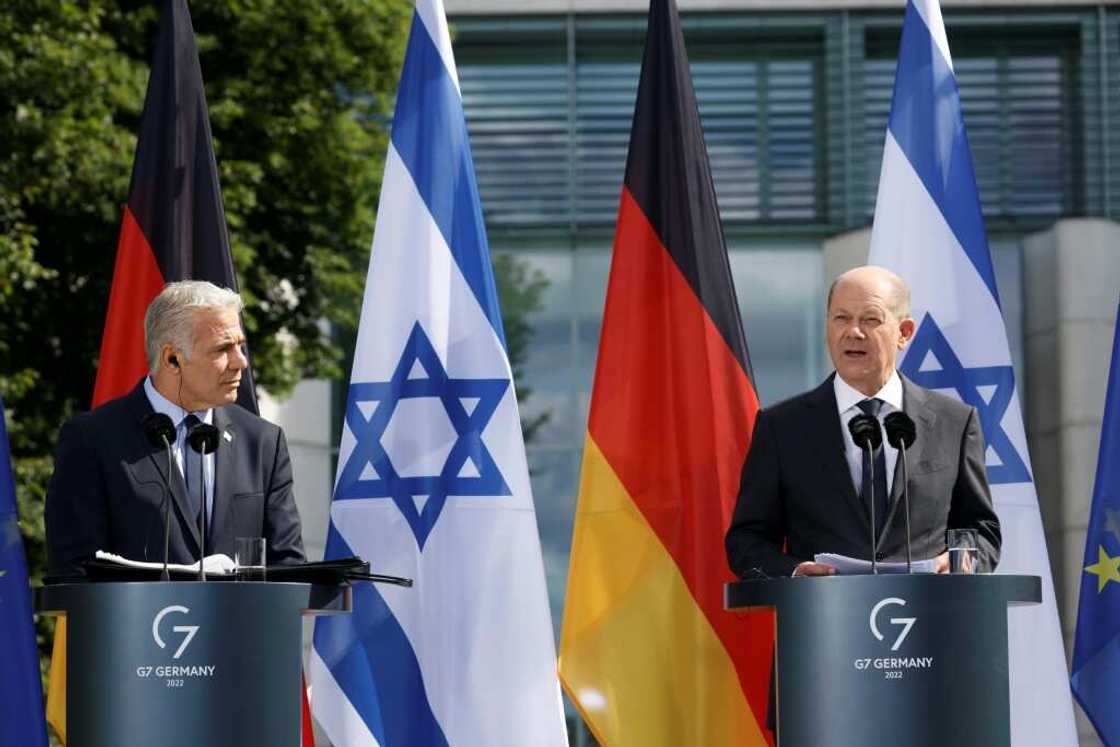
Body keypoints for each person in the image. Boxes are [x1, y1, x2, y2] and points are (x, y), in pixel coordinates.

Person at [725, 265, 1000, 578]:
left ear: (904, 333)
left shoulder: (955, 422)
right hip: (824, 618)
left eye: (870, 319)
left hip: (931, 617)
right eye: (841, 318)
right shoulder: (781, 427)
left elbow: (982, 530)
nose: (852, 332)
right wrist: (795, 570)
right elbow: (747, 541)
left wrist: (957, 560)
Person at [45, 280, 305, 577]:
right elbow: (72, 571)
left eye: (240, 347)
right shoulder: (91, 439)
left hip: (238, 623)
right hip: (135, 623)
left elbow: (290, 569)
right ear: (172, 359)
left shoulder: (263, 443)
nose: (241, 362)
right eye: (223, 349)